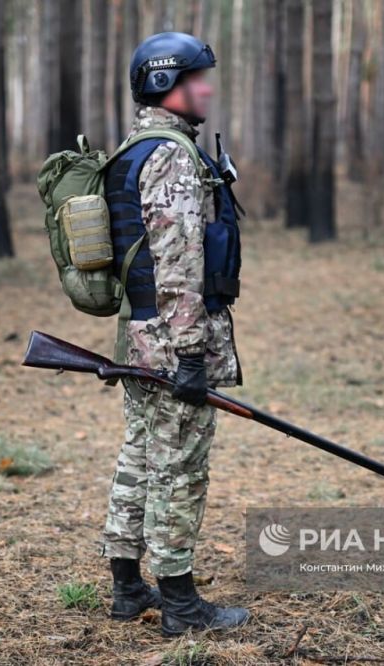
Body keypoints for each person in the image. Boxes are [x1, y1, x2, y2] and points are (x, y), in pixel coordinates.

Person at [99, 32, 247, 637]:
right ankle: (181, 604)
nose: (208, 87)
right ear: (167, 83)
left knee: (140, 455)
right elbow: (178, 262)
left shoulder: (135, 148)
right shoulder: (172, 156)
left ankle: (128, 585)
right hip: (173, 340)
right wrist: (190, 354)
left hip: (140, 335)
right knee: (179, 469)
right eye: (197, 78)